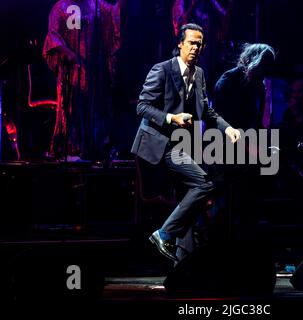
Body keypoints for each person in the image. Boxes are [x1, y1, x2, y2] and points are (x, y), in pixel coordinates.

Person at [131, 23, 241, 262]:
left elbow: (207, 111)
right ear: (180, 44)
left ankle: (183, 264)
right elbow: (142, 107)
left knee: (188, 198)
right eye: (191, 42)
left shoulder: (199, 74)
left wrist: (228, 128)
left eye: (199, 44)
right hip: (160, 145)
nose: (195, 48)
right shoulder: (161, 70)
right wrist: (172, 117)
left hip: (182, 145)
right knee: (203, 184)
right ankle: (164, 234)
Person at [43, 0, 125, 161]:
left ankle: (94, 148)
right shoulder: (61, 6)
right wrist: (69, 54)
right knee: (73, 106)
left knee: (95, 107)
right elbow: (53, 35)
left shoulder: (97, 5)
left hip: (93, 68)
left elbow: (114, 17)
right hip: (71, 68)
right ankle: (72, 149)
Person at [211, 43, 275, 240]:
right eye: (264, 68)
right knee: (226, 208)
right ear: (255, 62)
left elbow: (256, 124)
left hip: (248, 154)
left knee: (250, 207)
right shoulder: (228, 81)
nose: (265, 74)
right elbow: (223, 123)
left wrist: (267, 146)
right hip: (224, 152)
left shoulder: (259, 86)